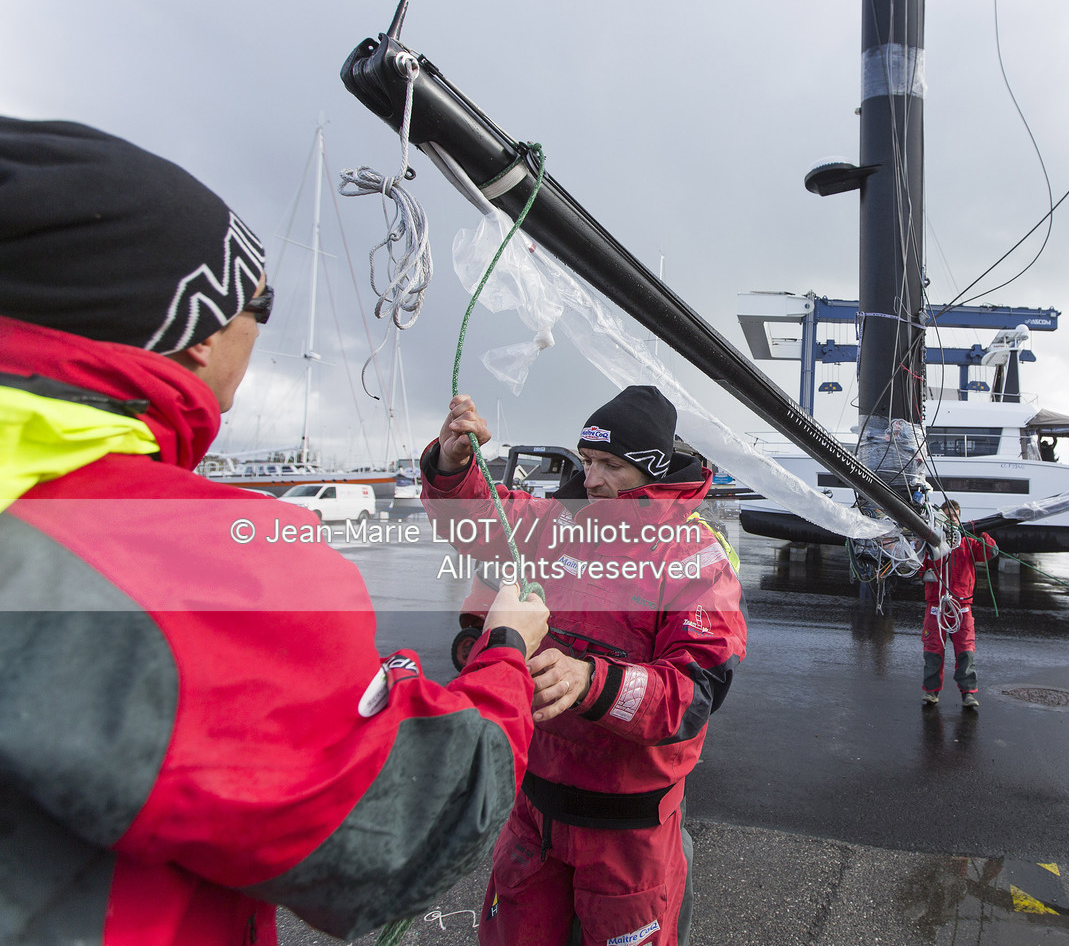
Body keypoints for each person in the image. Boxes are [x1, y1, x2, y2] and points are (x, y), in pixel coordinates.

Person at [0, 116, 548, 943]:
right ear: (198, 328)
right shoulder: (200, 558)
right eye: (259, 304)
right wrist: (507, 650)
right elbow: (394, 832)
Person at [423, 386, 746, 946]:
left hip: (628, 836)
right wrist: (452, 463)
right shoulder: (563, 521)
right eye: (588, 460)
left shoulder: (696, 558)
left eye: (609, 465)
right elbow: (483, 518)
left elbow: (692, 695)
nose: (590, 477)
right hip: (532, 815)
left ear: (650, 471)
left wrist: (589, 681)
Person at [921, 500, 999, 709]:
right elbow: (918, 567)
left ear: (959, 518)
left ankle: (968, 694)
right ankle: (931, 692)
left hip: (962, 605)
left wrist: (981, 532)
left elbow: (990, 552)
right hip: (936, 604)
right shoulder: (932, 543)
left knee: (965, 651)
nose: (951, 520)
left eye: (954, 516)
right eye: (947, 516)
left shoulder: (969, 542)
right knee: (932, 649)